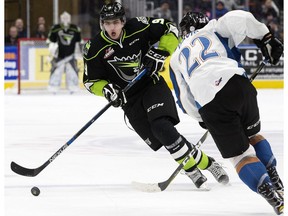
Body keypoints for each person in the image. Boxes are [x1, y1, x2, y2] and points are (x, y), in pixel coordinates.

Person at [83, 2, 229, 189]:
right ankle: (208, 163)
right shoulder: (94, 48)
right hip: (129, 101)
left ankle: (191, 169)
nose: (113, 27)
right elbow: (90, 81)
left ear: (123, 21)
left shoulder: (138, 26)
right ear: (102, 24)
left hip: (151, 86)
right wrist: (106, 89)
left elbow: (171, 28)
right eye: (108, 23)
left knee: (162, 127)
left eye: (116, 22)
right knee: (164, 138)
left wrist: (162, 50)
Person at [169, 11, 284, 214]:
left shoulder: (176, 57)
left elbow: (184, 99)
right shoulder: (213, 27)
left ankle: (268, 191)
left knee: (240, 156)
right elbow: (242, 17)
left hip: (210, 101)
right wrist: (265, 37)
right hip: (239, 84)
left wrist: (201, 117)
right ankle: (273, 174)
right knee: (253, 135)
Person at [46, 11, 82, 94]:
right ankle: (53, 87)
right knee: (56, 71)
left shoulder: (75, 28)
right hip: (59, 55)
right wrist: (51, 53)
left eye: (67, 18)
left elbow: (78, 42)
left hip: (71, 55)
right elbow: (51, 41)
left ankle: (73, 87)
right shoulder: (55, 28)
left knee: (72, 71)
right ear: (61, 18)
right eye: (63, 18)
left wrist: (79, 53)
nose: (65, 19)